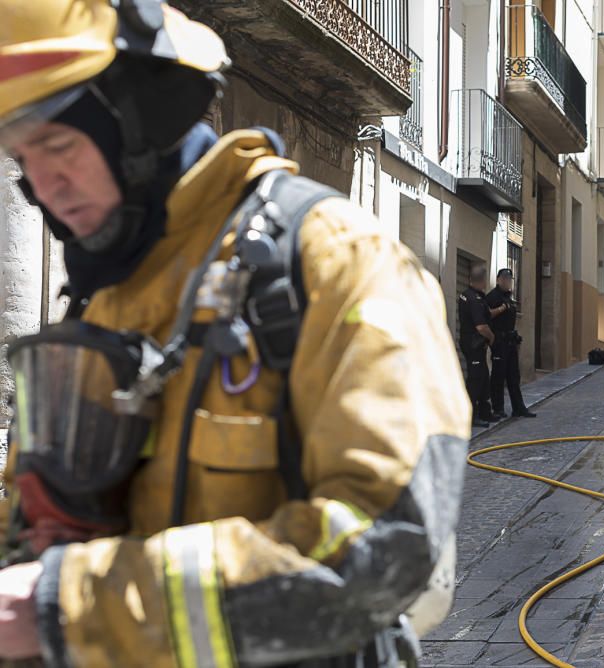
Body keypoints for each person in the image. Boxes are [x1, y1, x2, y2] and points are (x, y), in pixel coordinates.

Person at [0, 2, 468, 665]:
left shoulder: (334, 261)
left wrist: (65, 607)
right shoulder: (104, 299)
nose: (43, 185)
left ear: (140, 118)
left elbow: (386, 547)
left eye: (60, 145)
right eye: (23, 155)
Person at [487, 268, 535, 419]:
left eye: (509, 279)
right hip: (499, 342)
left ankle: (518, 408)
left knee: (514, 376)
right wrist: (501, 308)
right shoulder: (492, 296)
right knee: (498, 376)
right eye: (505, 279)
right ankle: (498, 408)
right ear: (498, 279)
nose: (507, 282)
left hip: (510, 341)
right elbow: (487, 315)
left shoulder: (509, 297)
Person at [460, 263, 498, 427]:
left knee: (483, 377)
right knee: (475, 380)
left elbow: (488, 313)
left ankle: (485, 412)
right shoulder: (473, 299)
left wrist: (503, 308)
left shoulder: (472, 295)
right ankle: (470, 417)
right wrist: (492, 337)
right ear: (482, 281)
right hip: (473, 344)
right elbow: (481, 326)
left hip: (474, 344)